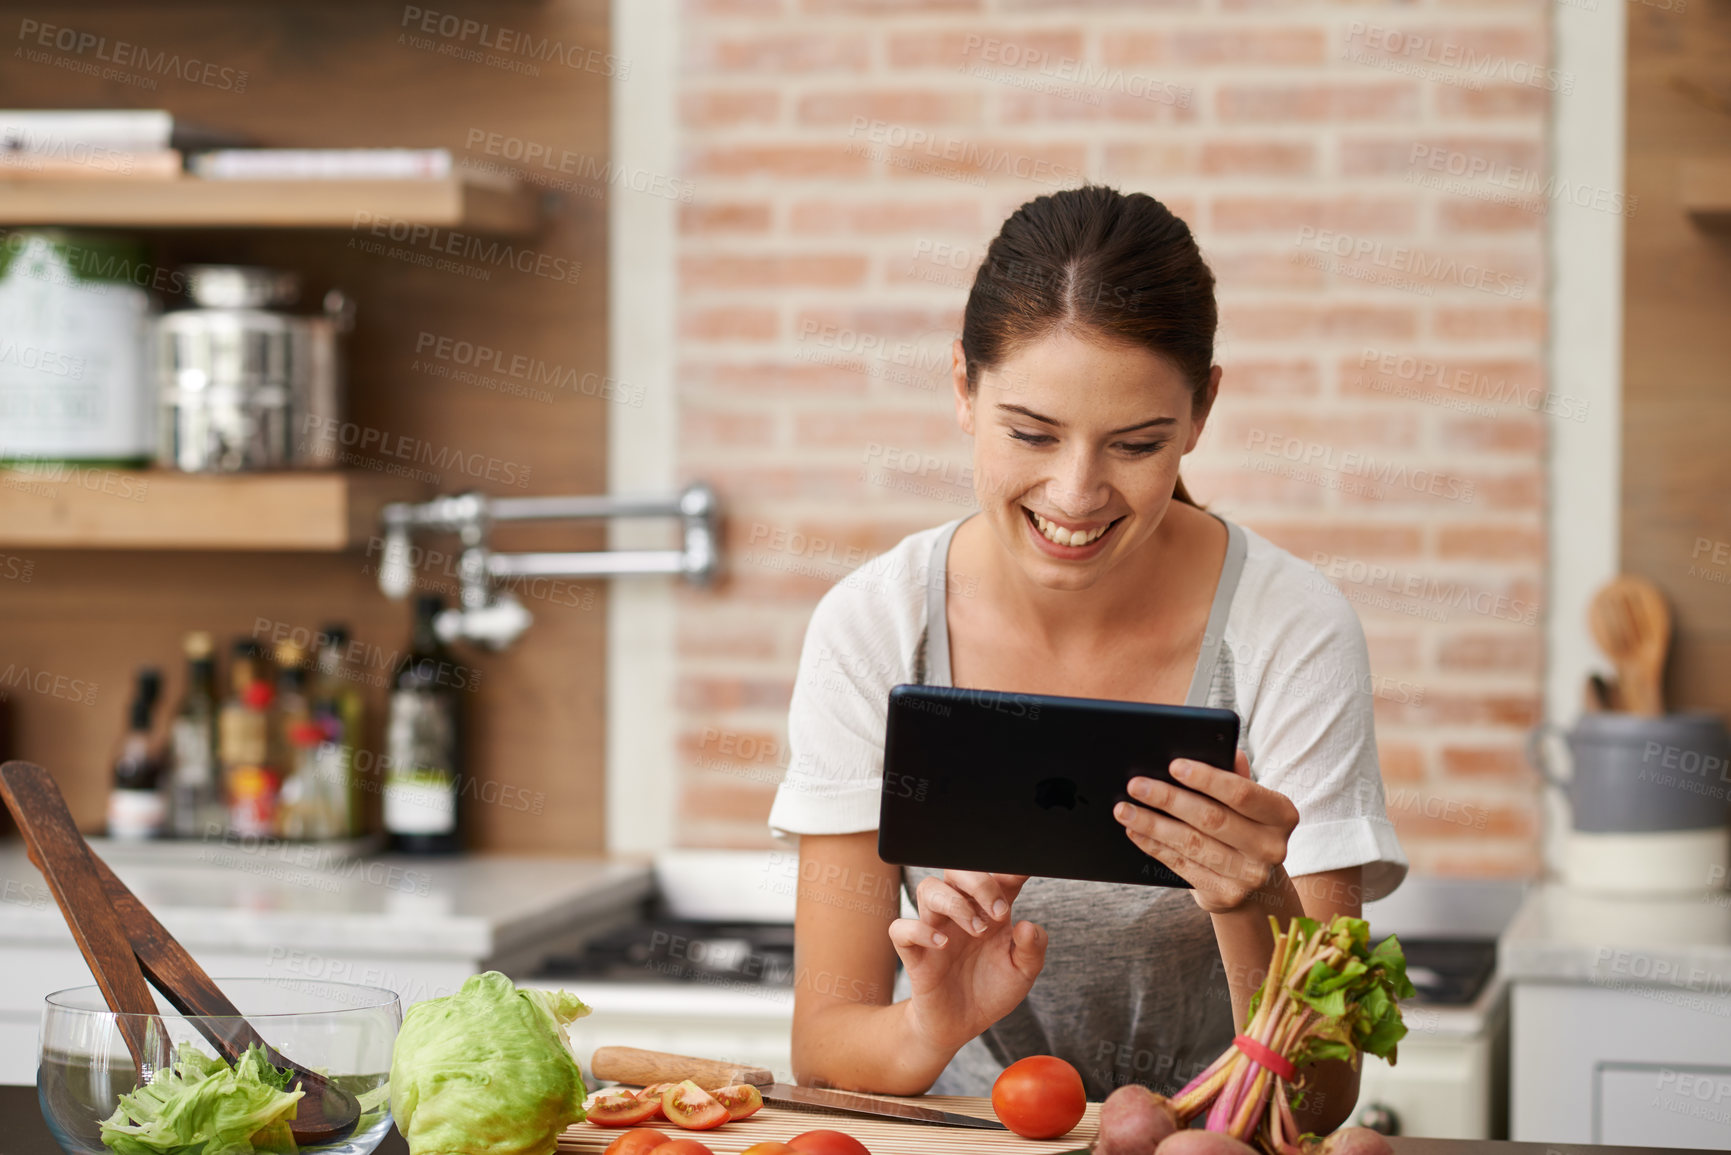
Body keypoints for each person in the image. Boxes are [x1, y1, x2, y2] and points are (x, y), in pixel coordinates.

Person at [765, 184, 1407, 1133]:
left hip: (1214, 1142)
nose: (1075, 494)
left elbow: (1323, 1096)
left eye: (1137, 443)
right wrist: (931, 1021)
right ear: (960, 387)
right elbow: (825, 1048)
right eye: (1029, 432)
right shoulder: (873, 624)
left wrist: (1252, 898)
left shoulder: (1290, 628)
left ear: (1200, 414)